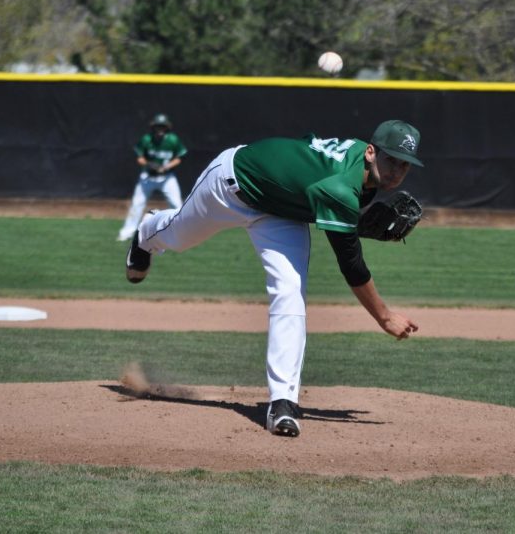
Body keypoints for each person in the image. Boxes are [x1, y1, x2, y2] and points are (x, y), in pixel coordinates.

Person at [124, 120, 423, 437]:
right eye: (392, 160)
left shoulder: (358, 164)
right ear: (372, 152)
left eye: (405, 165)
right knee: (178, 236)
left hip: (281, 213)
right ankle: (146, 233)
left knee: (290, 294)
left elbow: (314, 169)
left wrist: (353, 222)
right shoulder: (340, 187)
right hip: (232, 184)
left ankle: (283, 403)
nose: (397, 171)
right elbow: (351, 265)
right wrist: (384, 316)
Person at [116, 114, 188, 242]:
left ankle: (181, 232)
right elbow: (140, 157)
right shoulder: (146, 139)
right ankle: (126, 232)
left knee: (176, 205)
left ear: (167, 128)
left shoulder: (173, 140)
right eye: (158, 126)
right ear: (153, 127)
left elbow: (179, 158)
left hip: (167, 178)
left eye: (163, 126)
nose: (160, 129)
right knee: (137, 204)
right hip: (147, 177)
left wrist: (166, 166)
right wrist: (149, 164)